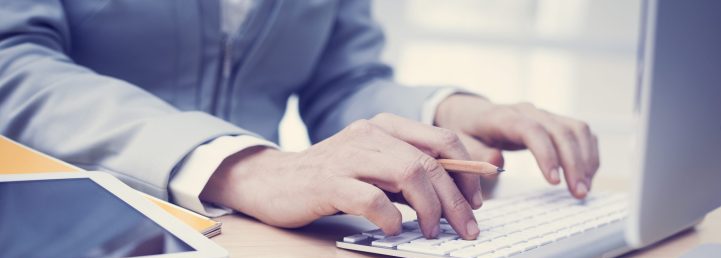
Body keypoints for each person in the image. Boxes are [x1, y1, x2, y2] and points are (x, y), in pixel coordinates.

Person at [0, 0, 599, 241]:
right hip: (61, 238)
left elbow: (342, 82)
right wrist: (245, 168)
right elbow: (12, 61)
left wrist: (447, 113)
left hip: (252, 245)